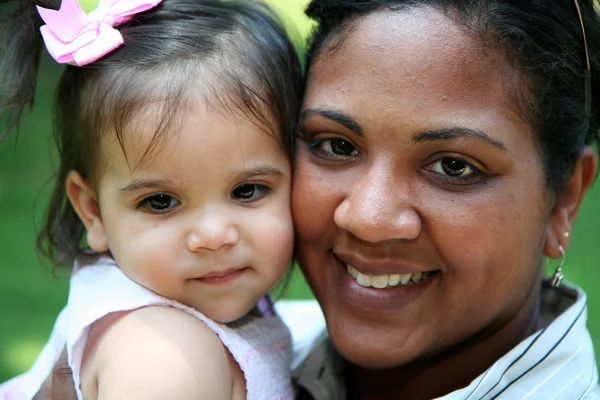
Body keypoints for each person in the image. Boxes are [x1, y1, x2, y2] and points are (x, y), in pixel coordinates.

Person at [17, 0, 600, 399]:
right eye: (335, 145)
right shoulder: (209, 336)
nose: (368, 218)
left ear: (563, 200)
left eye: (453, 166)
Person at [0, 0, 303, 399]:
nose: (213, 235)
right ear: (93, 212)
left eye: (247, 191)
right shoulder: (163, 358)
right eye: (161, 201)